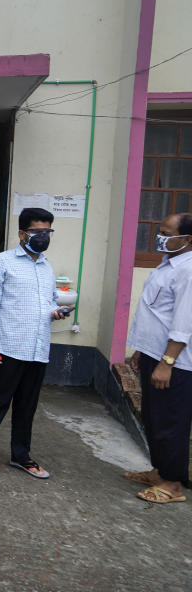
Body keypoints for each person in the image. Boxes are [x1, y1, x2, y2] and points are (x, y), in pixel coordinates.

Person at [0, 207, 70, 479]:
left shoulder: (46, 266)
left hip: (38, 349)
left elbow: (48, 301)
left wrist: (54, 311)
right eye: (38, 231)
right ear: (22, 233)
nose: (43, 236)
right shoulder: (0, 263)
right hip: (8, 347)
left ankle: (21, 456)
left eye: (47, 231)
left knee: (27, 407)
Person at [124, 213, 192, 504]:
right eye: (159, 230)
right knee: (153, 417)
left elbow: (183, 322)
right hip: (154, 353)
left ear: (187, 239)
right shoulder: (168, 264)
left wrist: (167, 363)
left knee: (170, 421)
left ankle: (173, 484)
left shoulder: (188, 270)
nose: (159, 236)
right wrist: (141, 350)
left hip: (174, 362)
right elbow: (154, 312)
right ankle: (159, 470)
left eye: (166, 232)